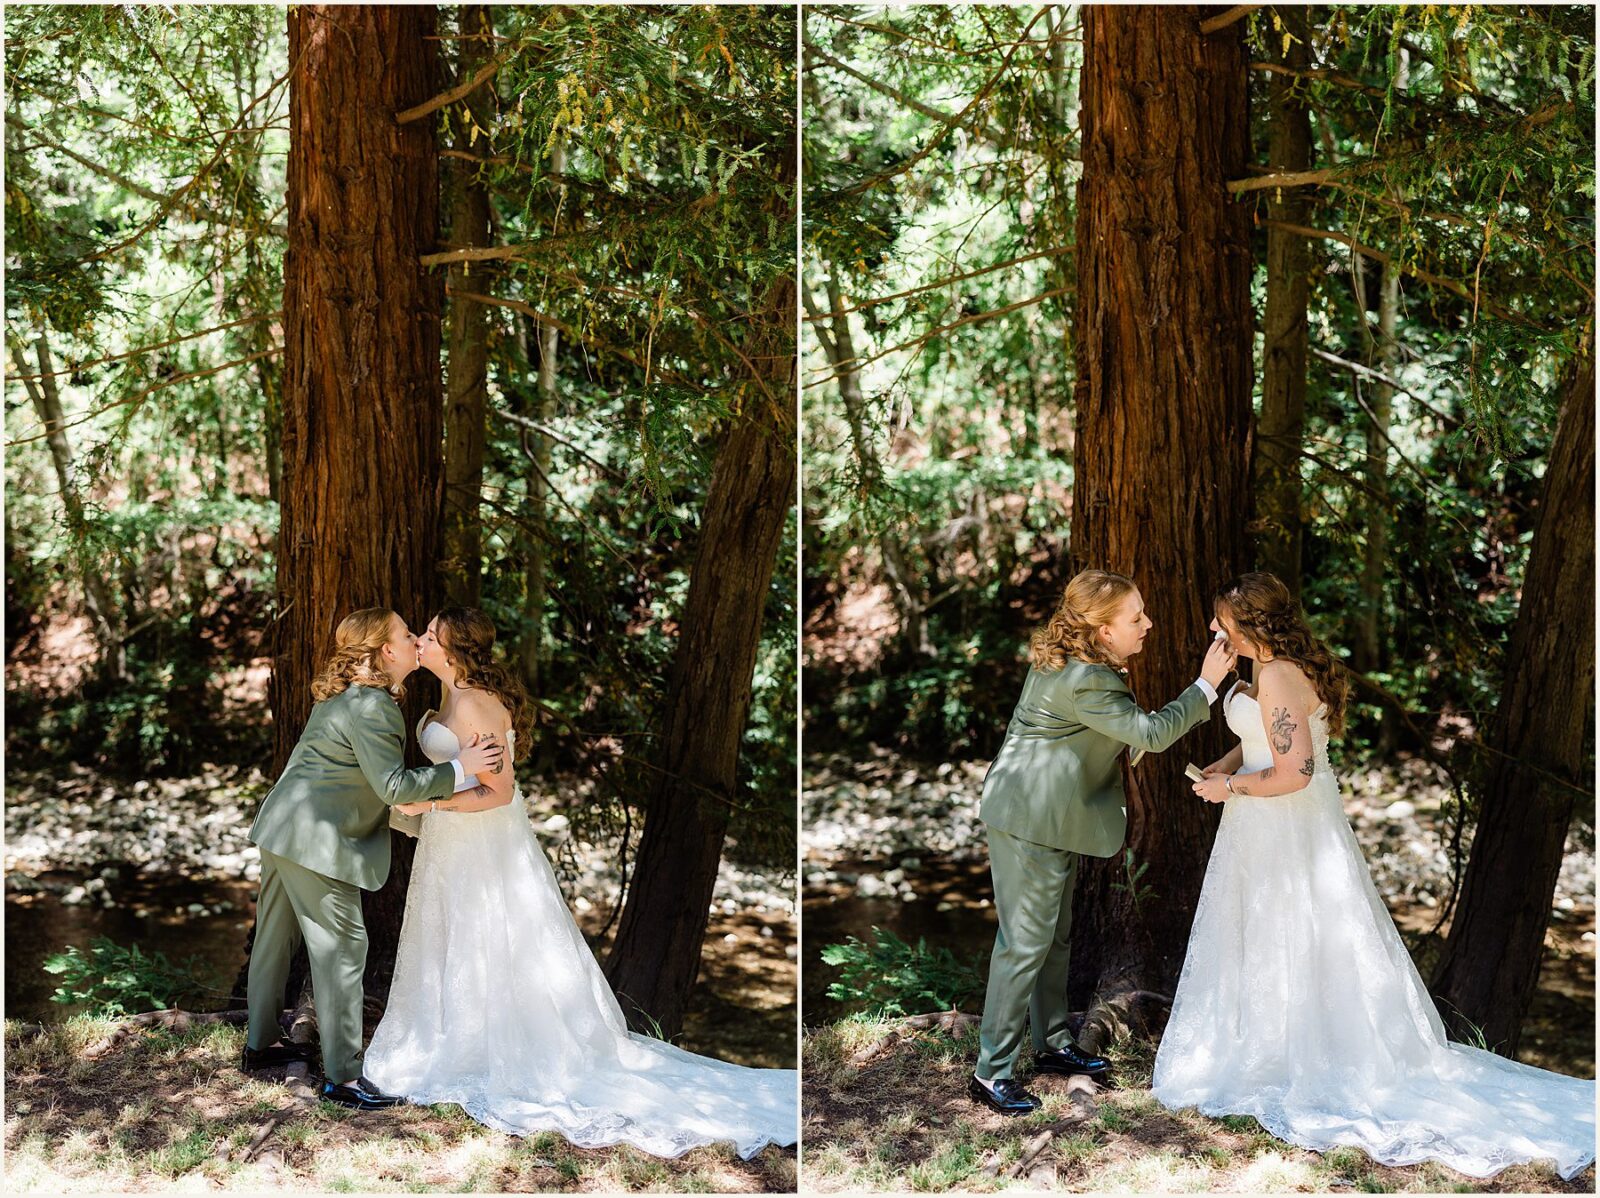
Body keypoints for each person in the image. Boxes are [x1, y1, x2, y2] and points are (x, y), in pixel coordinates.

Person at [1155, 572, 1595, 1179]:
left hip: (1288, 825)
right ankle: (1271, 1047)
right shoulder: (1267, 668)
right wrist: (1222, 764)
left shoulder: (1280, 673)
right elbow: (1263, 742)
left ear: (1249, 624)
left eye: (1220, 621)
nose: (1212, 629)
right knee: (1268, 933)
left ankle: (1310, 1057)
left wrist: (1227, 787)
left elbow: (1296, 772)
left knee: (1299, 929)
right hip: (1258, 824)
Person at [362, 607, 798, 1159]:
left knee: (492, 936)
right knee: (456, 938)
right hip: (451, 842)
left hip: (482, 839)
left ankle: (499, 1052)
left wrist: (430, 801)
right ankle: (456, 1041)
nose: (420, 641)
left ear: (454, 652)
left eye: (429, 635)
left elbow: (496, 792)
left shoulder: (475, 703)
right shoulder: (450, 694)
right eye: (421, 632)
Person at [970, 569, 1235, 1115]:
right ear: (1102, 629)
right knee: (1024, 944)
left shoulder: (1076, 662)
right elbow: (1151, 734)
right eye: (1135, 617)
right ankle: (990, 1072)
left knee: (1056, 938)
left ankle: (1053, 1046)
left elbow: (1104, 730)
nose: (1148, 623)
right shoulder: (1087, 677)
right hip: (1030, 819)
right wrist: (1206, 684)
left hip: (1050, 814)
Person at [243, 607, 503, 1110]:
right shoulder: (374, 706)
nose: (414, 641)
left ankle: (261, 1048)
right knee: (344, 948)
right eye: (407, 635)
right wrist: (460, 767)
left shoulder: (346, 696)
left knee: (275, 938)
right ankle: (342, 1079)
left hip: (283, 827)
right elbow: (392, 787)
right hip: (317, 839)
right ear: (387, 650)